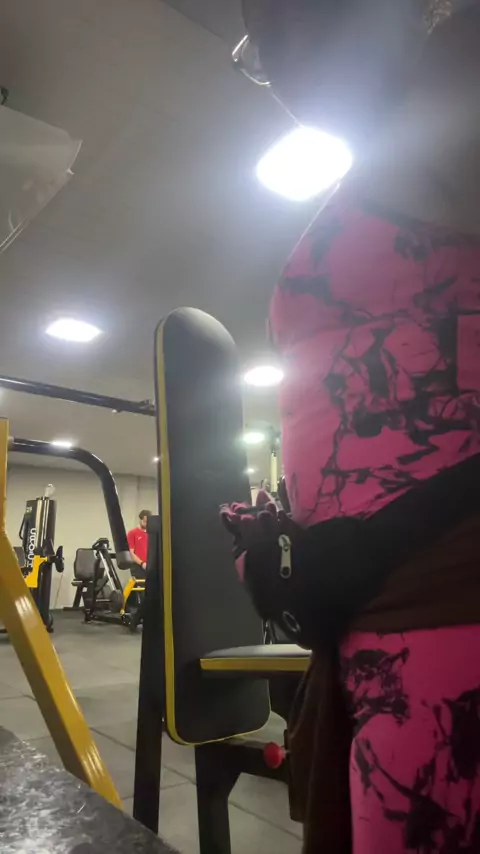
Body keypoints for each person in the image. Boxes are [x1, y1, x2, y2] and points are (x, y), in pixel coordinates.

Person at [229, 3, 480, 852]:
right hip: (379, 639)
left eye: (302, 15)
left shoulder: (461, 68)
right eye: (265, 45)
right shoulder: (385, 155)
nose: (288, 60)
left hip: (452, 618)